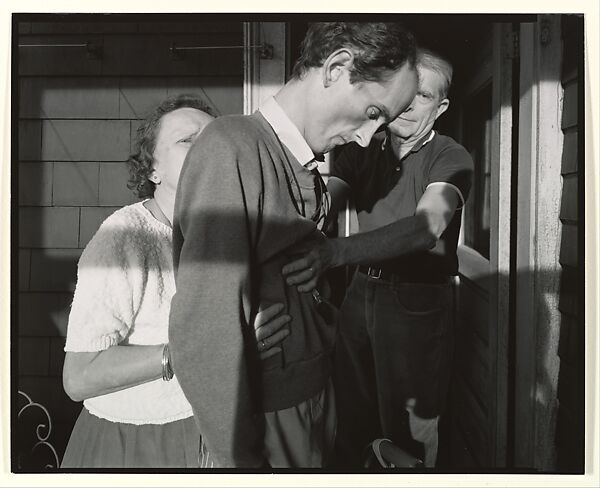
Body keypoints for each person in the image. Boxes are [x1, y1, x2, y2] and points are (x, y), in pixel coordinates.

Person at [168, 22, 418, 468]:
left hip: (311, 397)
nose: (365, 137)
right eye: (374, 112)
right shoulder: (234, 148)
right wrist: (239, 462)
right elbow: (204, 329)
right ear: (338, 67)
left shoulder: (299, 160)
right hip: (270, 415)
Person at [61, 95, 289, 468]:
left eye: (214, 139)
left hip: (214, 432)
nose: (206, 149)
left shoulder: (228, 231)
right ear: (153, 169)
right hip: (137, 444)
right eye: (187, 140)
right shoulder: (125, 237)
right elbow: (79, 377)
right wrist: (199, 350)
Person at [282, 48, 474, 468]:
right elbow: (327, 200)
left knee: (409, 427)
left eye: (423, 97)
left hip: (418, 301)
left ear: (440, 107)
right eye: (404, 95)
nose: (407, 107)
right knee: (352, 410)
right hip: (360, 289)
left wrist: (333, 251)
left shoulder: (451, 157)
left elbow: (428, 227)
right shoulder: (364, 146)